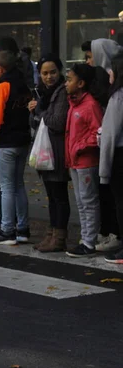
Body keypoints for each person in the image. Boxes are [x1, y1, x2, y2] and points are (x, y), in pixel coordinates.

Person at [0, 51, 32, 245]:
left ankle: (7, 230)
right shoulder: (23, 84)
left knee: (6, 187)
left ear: (1, 69)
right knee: (19, 184)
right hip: (22, 139)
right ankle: (22, 227)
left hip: (5, 142)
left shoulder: (2, 87)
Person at [82, 38, 123, 252]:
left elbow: (111, 130)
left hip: (114, 151)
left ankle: (115, 235)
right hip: (109, 147)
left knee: (114, 197)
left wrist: (104, 170)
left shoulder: (115, 93)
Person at [28, 54, 70, 253]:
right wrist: (35, 111)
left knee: (59, 196)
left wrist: (41, 110)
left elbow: (56, 122)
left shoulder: (62, 92)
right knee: (51, 197)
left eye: (53, 72)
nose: (49, 77)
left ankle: (59, 237)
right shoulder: (43, 92)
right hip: (46, 152)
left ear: (59, 71)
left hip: (57, 152)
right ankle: (51, 234)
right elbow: (39, 121)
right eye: (44, 73)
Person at [63, 64, 103, 257]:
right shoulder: (74, 104)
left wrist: (80, 147)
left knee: (88, 201)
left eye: (69, 80)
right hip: (75, 161)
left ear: (81, 83)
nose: (66, 83)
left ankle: (89, 241)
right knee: (81, 201)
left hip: (86, 161)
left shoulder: (90, 106)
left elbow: (98, 132)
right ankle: (85, 237)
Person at [100, 53, 123, 263]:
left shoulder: (117, 97)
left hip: (119, 155)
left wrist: (104, 170)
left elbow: (110, 133)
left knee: (120, 200)